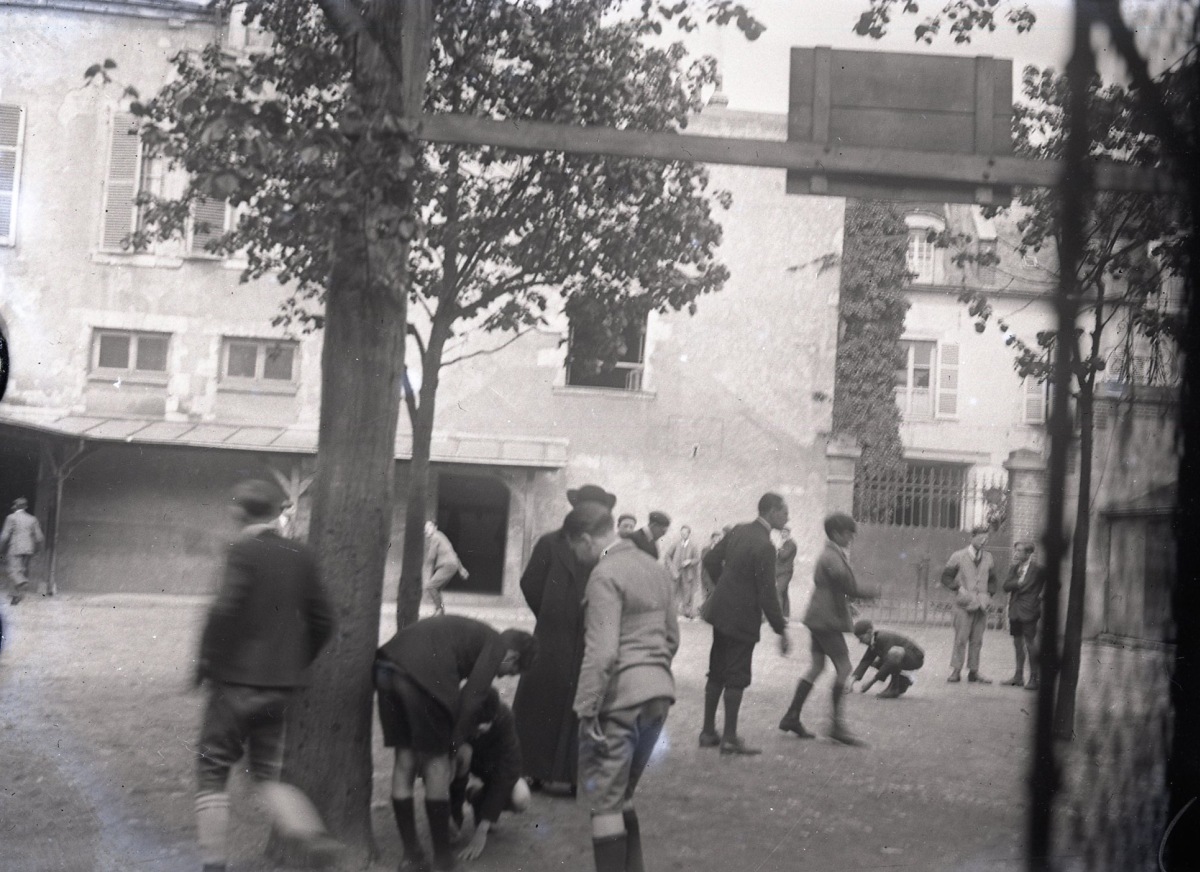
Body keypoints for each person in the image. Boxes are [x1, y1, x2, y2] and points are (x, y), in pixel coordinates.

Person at [193, 480, 340, 872]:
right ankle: (312, 836)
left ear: (239, 513)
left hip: (234, 683)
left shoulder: (240, 550)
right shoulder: (301, 554)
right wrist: (295, 662)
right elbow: (325, 620)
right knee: (265, 775)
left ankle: (213, 867)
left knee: (212, 770)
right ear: (277, 513)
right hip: (280, 688)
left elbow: (223, 610)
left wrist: (206, 662)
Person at [375, 615, 538, 871]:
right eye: (511, 672)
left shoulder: (474, 634)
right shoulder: (496, 645)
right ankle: (443, 860)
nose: (502, 676)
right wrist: (451, 747)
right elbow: (472, 697)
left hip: (385, 667)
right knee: (438, 764)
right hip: (422, 677)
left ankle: (411, 855)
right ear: (513, 656)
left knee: (404, 761)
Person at [567, 501, 679, 872]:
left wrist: (586, 709)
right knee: (623, 794)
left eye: (576, 549)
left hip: (620, 701)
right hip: (659, 696)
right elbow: (672, 638)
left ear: (586, 540)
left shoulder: (604, 574)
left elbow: (602, 654)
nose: (578, 558)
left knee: (604, 803)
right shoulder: (656, 568)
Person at [512, 483, 617, 794]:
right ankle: (532, 769)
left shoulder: (606, 549)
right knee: (541, 699)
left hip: (589, 635)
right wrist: (549, 613)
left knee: (584, 701)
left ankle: (574, 775)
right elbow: (530, 582)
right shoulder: (549, 543)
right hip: (552, 637)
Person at [699, 493, 790, 756]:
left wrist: (725, 586)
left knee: (716, 670)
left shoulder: (738, 530)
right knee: (737, 675)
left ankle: (707, 732)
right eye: (784, 512)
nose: (787, 518)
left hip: (721, 611)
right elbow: (767, 593)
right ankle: (729, 738)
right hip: (742, 617)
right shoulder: (766, 546)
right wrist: (781, 629)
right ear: (771, 512)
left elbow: (710, 560)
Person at [778, 512, 877, 746]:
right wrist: (873, 591)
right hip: (827, 619)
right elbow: (848, 585)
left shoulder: (832, 553)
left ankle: (792, 716)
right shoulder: (831, 556)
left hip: (820, 617)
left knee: (817, 666)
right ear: (835, 533)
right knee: (844, 667)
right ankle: (836, 726)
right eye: (848, 533)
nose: (851, 537)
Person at [448, 688, 531, 862]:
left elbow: (508, 770)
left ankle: (477, 798)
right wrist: (446, 814)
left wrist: (482, 831)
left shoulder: (505, 717)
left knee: (521, 798)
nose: (478, 731)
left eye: (484, 727)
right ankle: (455, 814)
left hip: (491, 770)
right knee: (461, 753)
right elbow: (435, 768)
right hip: (464, 767)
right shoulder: (453, 714)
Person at [941, 524, 998, 684]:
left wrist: (989, 595)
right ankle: (956, 670)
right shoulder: (958, 556)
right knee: (961, 638)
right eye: (981, 538)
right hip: (963, 605)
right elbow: (946, 577)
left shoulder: (988, 557)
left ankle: (974, 671)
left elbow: (993, 580)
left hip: (981, 605)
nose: (984, 541)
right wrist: (958, 589)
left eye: (986, 538)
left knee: (977, 640)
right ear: (972, 537)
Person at [1002, 541, 1044, 690]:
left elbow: (1055, 585)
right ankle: (1018, 677)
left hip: (1029, 611)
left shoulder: (1038, 569)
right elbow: (1005, 587)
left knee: (1030, 643)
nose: (1016, 553)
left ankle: (1034, 678)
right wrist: (1017, 583)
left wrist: (1040, 596)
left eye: (1020, 551)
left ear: (1028, 553)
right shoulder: (1014, 569)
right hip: (1015, 612)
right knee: (1017, 643)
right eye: (1016, 550)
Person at [850, 619, 925, 698]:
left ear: (869, 632)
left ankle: (894, 688)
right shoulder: (874, 640)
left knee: (894, 654)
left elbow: (889, 663)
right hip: (903, 659)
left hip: (915, 659)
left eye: (861, 638)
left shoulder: (883, 638)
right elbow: (866, 661)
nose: (860, 642)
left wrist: (871, 682)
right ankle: (903, 682)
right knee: (875, 662)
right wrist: (852, 680)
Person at [1, 497, 45, 603]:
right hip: (28, 549)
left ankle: (23, 582)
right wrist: (38, 550)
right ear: (26, 507)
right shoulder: (32, 519)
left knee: (13, 571)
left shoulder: (11, 517)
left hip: (15, 548)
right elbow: (39, 537)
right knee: (21, 570)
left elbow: (4, 536)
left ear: (15, 506)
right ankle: (15, 596)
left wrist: (1, 548)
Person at [424, 520, 466, 616]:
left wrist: (424, 566)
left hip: (447, 565)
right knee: (436, 588)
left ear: (435, 527)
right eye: (425, 528)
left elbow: (431, 556)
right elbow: (452, 553)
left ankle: (439, 610)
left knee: (431, 586)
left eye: (429, 527)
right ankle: (440, 611)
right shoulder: (441, 536)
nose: (426, 530)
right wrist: (461, 569)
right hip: (452, 565)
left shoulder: (435, 537)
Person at [665, 524, 702, 619]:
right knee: (673, 591)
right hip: (675, 572)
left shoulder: (693, 546)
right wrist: (671, 567)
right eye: (682, 533)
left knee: (687, 592)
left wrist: (689, 561)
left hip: (687, 573)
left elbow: (697, 559)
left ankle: (687, 611)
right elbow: (667, 556)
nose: (683, 535)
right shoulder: (676, 544)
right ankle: (671, 612)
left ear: (689, 534)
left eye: (685, 533)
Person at [774, 526, 798, 621]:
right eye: (782, 532)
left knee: (778, 591)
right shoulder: (785, 544)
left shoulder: (791, 544)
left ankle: (778, 616)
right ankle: (785, 615)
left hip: (786, 572)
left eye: (785, 532)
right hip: (780, 572)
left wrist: (778, 548)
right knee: (783, 592)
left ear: (789, 533)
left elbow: (783, 556)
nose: (783, 534)